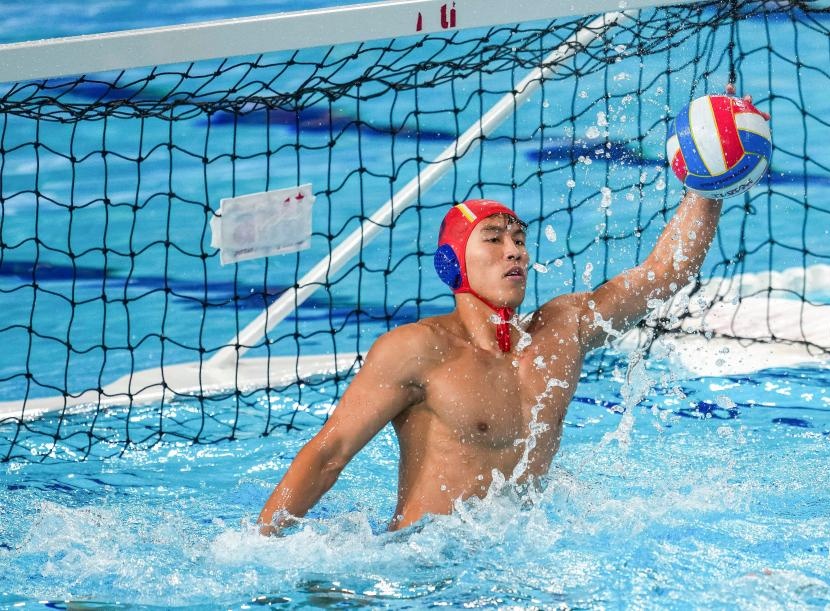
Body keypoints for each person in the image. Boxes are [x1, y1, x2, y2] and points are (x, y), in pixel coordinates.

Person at [258, 86, 766, 534]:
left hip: (516, 559)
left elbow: (665, 273)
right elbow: (329, 454)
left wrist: (708, 182)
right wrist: (260, 549)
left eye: (520, 240)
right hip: (421, 564)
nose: (515, 251)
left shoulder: (560, 332)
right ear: (452, 262)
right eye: (494, 239)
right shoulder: (417, 350)